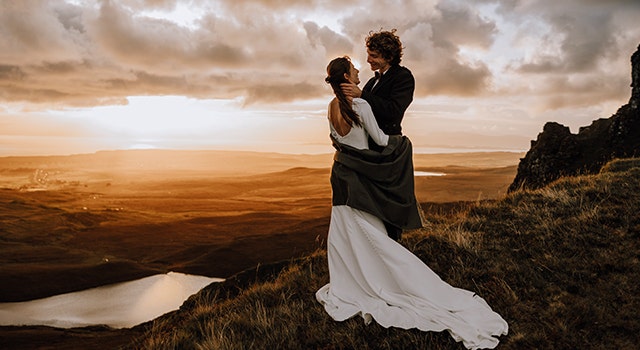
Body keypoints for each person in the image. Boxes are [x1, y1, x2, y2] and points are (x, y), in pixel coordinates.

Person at [316, 56, 508, 350]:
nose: (359, 70)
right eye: (354, 68)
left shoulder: (331, 107)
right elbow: (380, 140)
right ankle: (398, 284)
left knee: (346, 235)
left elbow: (337, 140)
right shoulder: (361, 105)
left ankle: (353, 283)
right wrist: (401, 144)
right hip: (362, 181)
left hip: (341, 178)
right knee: (374, 237)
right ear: (346, 76)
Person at [341, 29, 415, 241]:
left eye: (373, 55)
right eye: (368, 54)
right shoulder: (373, 82)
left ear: (389, 56)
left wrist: (362, 95)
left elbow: (393, 111)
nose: (368, 60)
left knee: (389, 202)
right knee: (371, 202)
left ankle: (394, 246)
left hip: (388, 148)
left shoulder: (403, 77)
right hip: (369, 150)